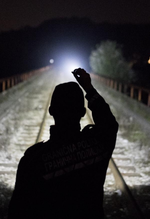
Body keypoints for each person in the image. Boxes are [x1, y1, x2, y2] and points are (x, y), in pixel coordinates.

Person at [8, 68, 118, 219]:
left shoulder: (32, 159)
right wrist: (89, 89)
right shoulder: (96, 145)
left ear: (51, 111)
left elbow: (17, 211)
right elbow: (109, 124)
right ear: (82, 112)